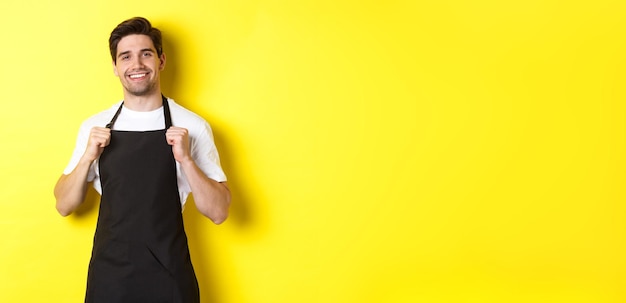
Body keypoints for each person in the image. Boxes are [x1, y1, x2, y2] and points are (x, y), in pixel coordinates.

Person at [53, 17, 231, 303]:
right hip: (110, 278)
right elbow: (64, 205)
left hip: (170, 278)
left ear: (160, 60)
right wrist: (87, 157)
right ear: (115, 67)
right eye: (126, 56)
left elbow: (219, 212)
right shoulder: (95, 126)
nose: (136, 64)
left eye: (145, 54)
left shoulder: (192, 126)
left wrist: (186, 159)